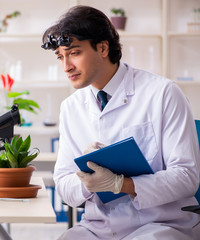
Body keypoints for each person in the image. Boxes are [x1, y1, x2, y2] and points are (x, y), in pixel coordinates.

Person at [41, 5, 200, 239]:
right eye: (61, 57)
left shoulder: (163, 93)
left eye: (74, 53)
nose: (66, 66)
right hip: (99, 227)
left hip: (161, 223)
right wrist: (87, 180)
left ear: (103, 47)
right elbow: (64, 184)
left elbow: (187, 177)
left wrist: (120, 184)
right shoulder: (70, 108)